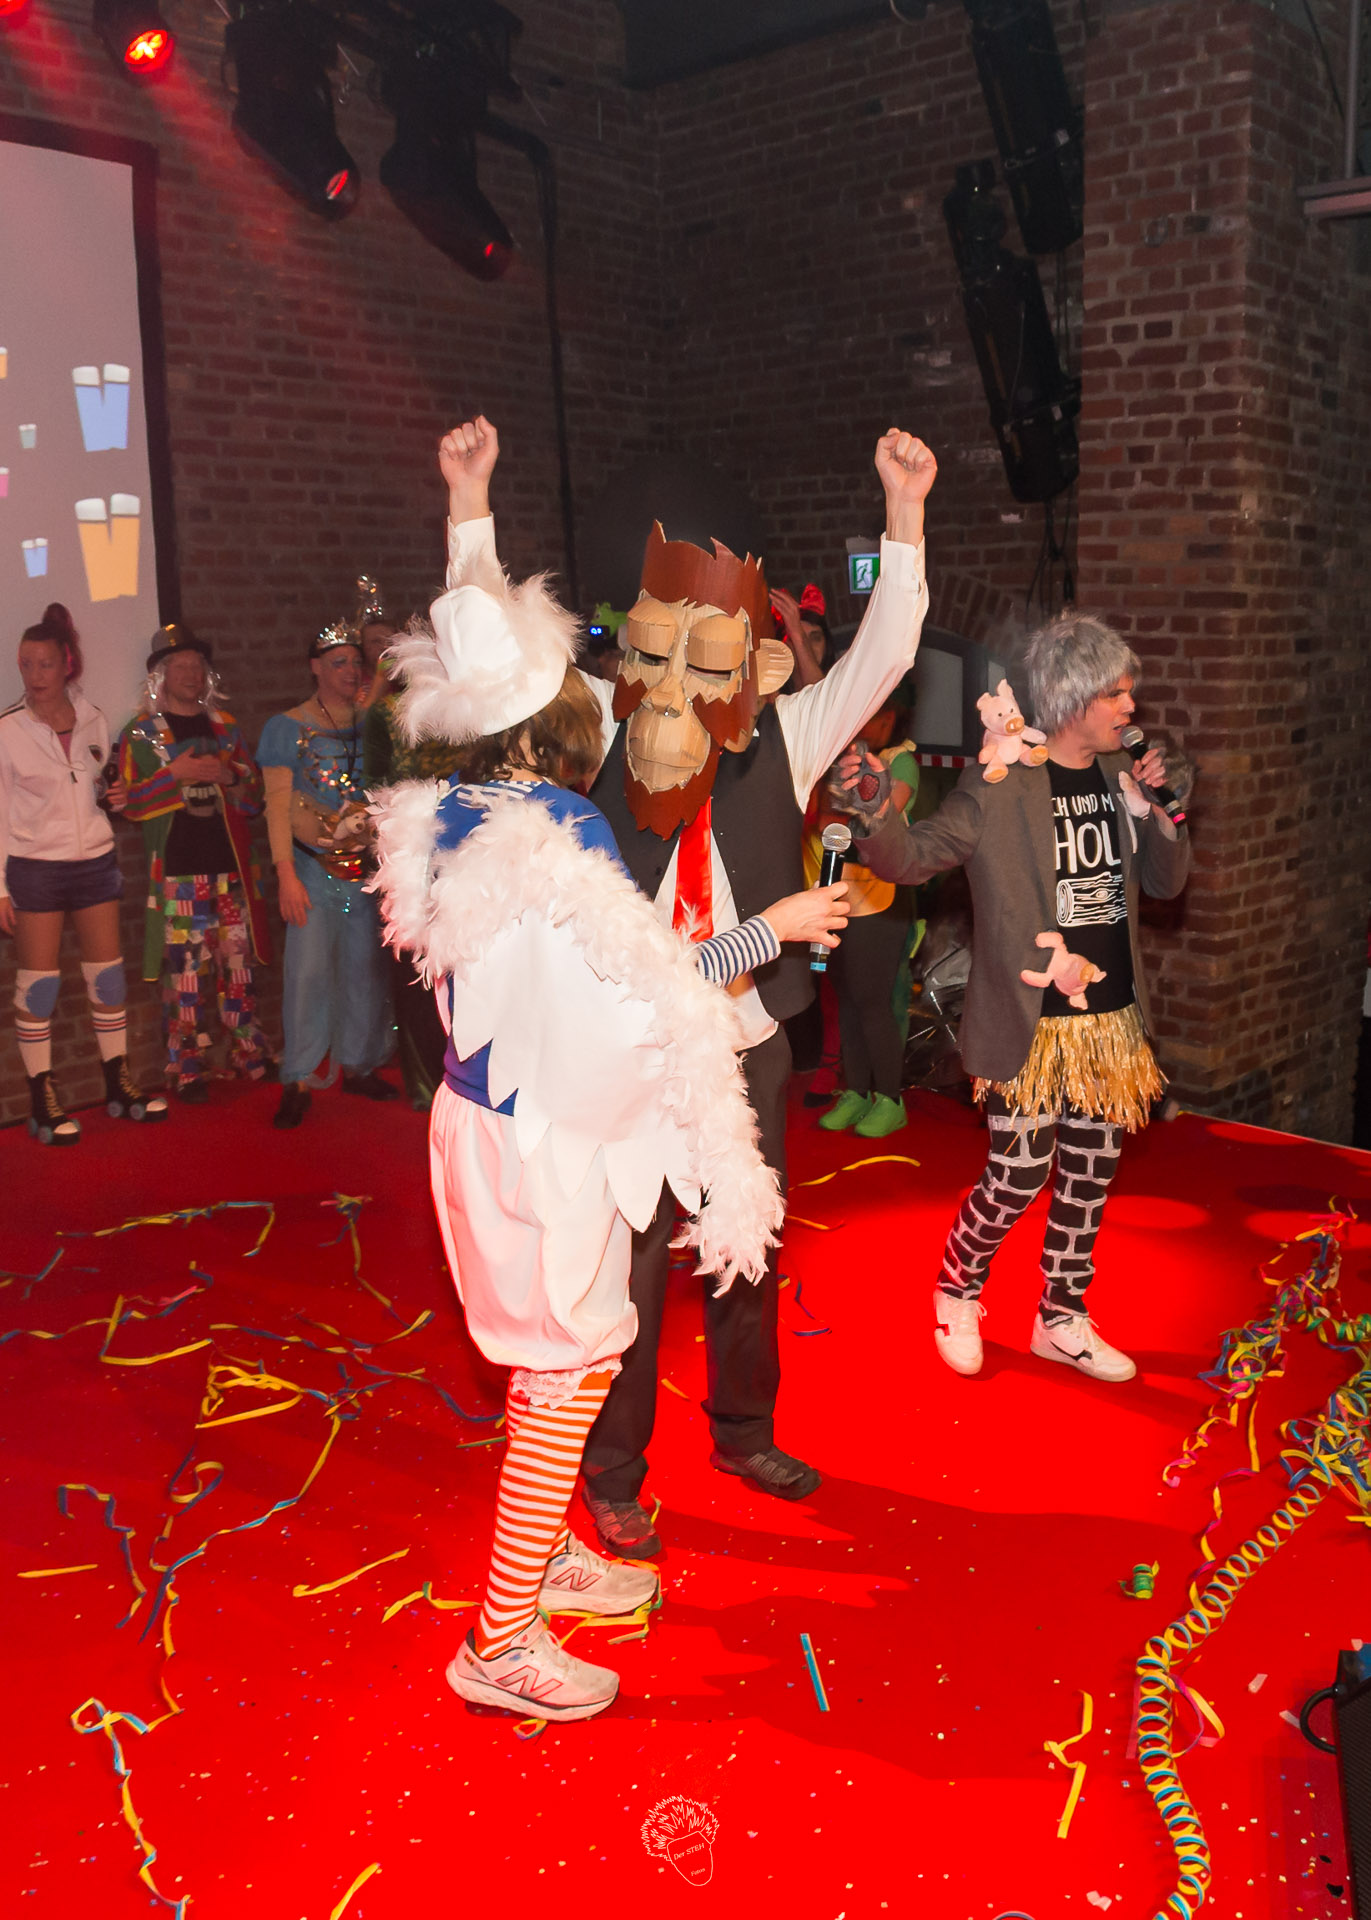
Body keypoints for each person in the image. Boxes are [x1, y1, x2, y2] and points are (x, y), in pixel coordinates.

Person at [369, 421, 849, 1722]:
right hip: (548, 1147)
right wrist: (772, 931)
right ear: (556, 724)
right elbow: (655, 988)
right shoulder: (561, 831)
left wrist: (468, 504)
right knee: (568, 1371)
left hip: (495, 1126)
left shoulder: (451, 810)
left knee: (570, 1358)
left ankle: (545, 1562)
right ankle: (501, 1640)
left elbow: (479, 642)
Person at [572, 422, 936, 1555]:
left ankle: (743, 1432)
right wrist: (471, 512)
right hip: (635, 1041)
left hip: (747, 1037)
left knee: (747, 1245)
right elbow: (498, 661)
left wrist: (905, 513)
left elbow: (886, 654)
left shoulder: (788, 730)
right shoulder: (599, 718)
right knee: (631, 1268)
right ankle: (613, 1472)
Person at [841, 613, 1193, 1382]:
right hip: (1029, 1021)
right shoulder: (1000, 785)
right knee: (1017, 1175)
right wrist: (872, 806)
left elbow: (1167, 884)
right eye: (1115, 693)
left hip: (1108, 1021)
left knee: (1089, 1177)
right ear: (1071, 697)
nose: (1129, 707)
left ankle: (1059, 1317)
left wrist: (1157, 809)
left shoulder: (1120, 776)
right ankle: (956, 1290)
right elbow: (912, 856)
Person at [0, 602, 166, 1143]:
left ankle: (118, 1082)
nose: (34, 675)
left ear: (66, 664)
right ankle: (42, 1097)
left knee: (108, 978)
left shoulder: (93, 717)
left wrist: (115, 797)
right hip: (35, 868)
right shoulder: (8, 729)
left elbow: (100, 789)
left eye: (45, 664)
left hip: (94, 860)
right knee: (38, 986)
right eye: (26, 664)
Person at [118, 625, 272, 1102]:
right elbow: (128, 804)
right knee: (184, 977)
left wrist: (229, 777)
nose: (190, 674)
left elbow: (255, 799)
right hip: (178, 876)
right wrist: (174, 775)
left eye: (197, 666)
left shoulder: (225, 727)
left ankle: (248, 1053)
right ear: (160, 676)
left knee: (239, 969)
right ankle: (186, 1067)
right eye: (179, 666)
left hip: (231, 873)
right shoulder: (140, 733)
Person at [257, 618, 396, 1129]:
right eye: (338, 663)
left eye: (355, 662)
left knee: (364, 969)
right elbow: (276, 808)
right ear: (315, 667)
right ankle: (297, 1076)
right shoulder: (286, 727)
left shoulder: (369, 723)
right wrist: (285, 876)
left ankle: (359, 1063)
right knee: (307, 972)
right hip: (310, 869)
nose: (349, 670)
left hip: (362, 869)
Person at [362, 646, 464, 1110]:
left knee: (465, 964)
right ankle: (427, 1080)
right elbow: (375, 789)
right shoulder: (385, 714)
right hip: (410, 855)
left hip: (468, 846)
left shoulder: (468, 708)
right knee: (415, 971)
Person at [815, 696, 920, 1137]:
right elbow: (826, 824)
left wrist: (849, 814)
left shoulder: (902, 761)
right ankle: (856, 1091)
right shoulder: (845, 761)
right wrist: (846, 814)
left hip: (884, 895)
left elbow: (878, 820)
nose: (860, 724)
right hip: (843, 891)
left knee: (874, 1001)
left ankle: (890, 1098)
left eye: (871, 714)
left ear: (890, 718)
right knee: (847, 999)